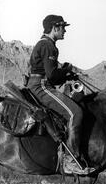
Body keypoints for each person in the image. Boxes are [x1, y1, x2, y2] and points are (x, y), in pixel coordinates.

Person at [28, 14, 95, 175]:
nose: (65, 31)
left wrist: (65, 74)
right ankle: (70, 162)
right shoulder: (48, 46)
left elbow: (53, 74)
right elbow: (51, 76)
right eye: (62, 27)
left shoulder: (45, 44)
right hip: (41, 86)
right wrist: (68, 70)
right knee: (76, 113)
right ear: (54, 28)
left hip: (40, 84)